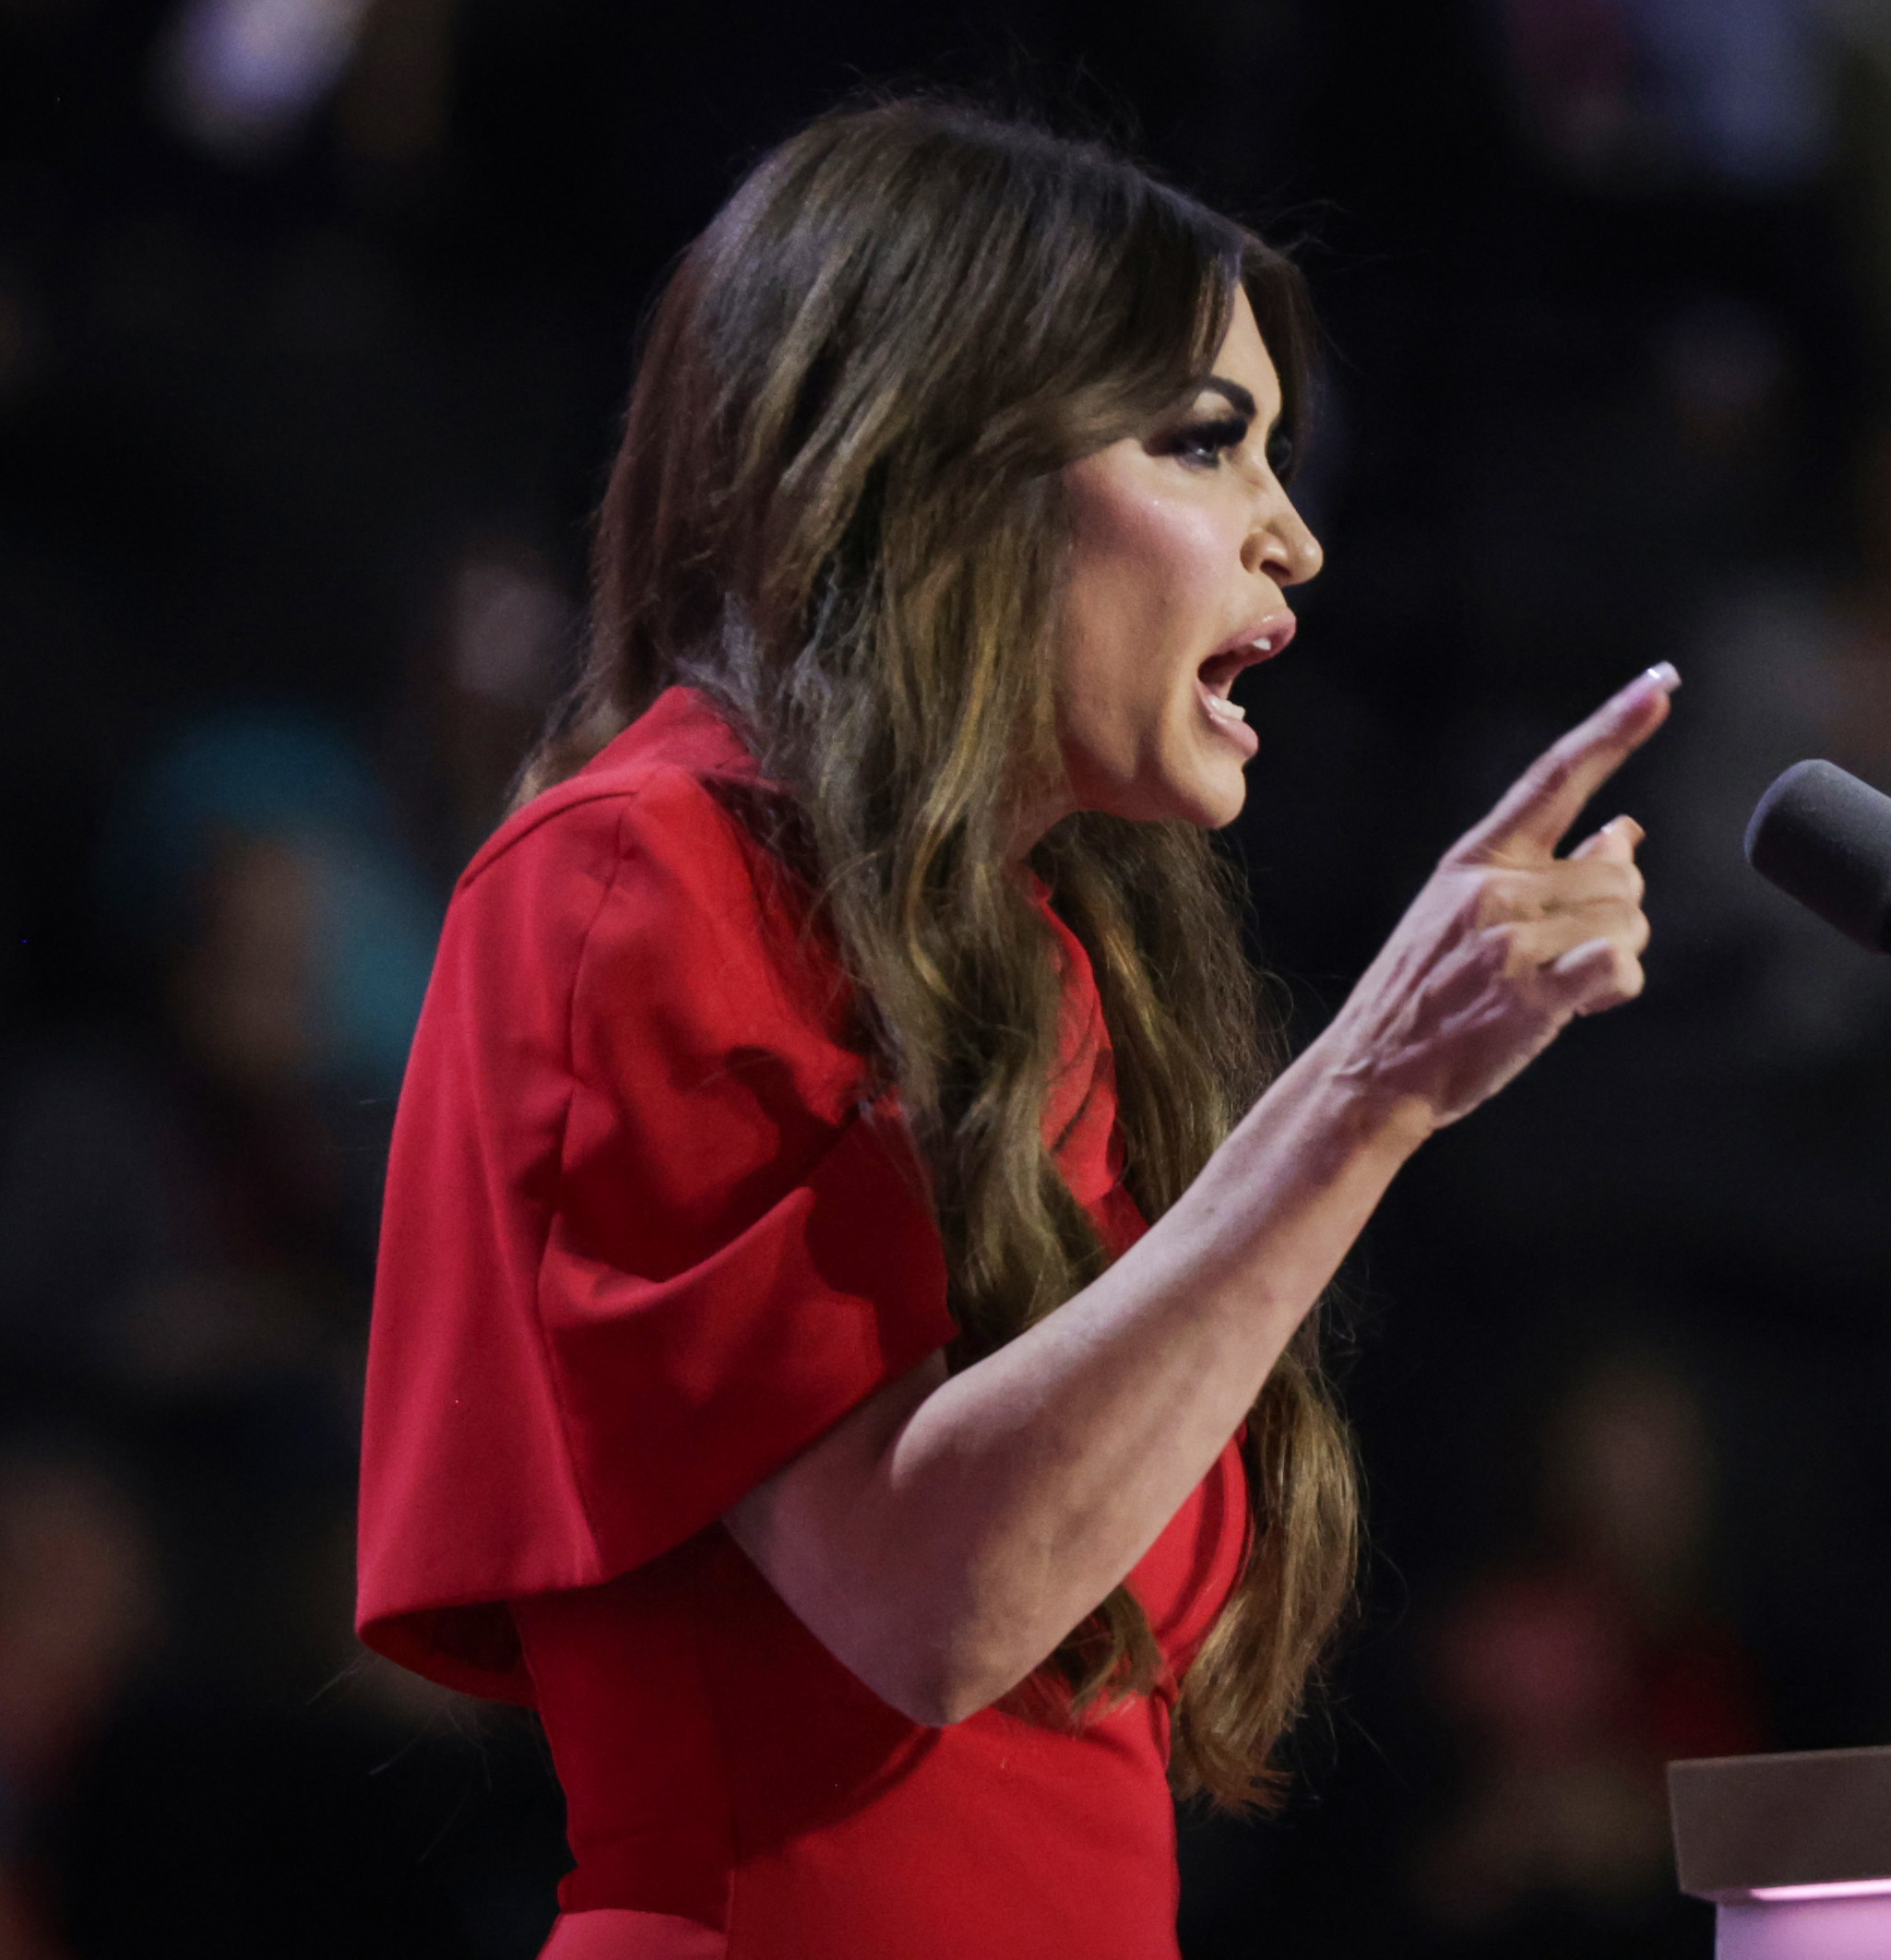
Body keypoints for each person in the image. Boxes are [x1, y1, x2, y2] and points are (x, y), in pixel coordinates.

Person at [351, 102, 1672, 1959]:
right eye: (1204, 442)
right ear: (947, 455)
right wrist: (1369, 1090)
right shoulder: (635, 873)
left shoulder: (1043, 964)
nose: (1294, 537)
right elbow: (931, 1604)